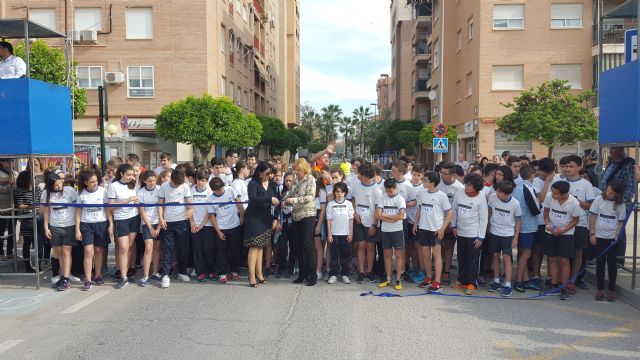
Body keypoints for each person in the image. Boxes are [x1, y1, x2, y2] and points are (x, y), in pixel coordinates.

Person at [559, 155, 595, 295]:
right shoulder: (559, 180)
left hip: (579, 223)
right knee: (563, 254)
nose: (568, 169)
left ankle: (572, 281)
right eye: (566, 166)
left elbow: (590, 206)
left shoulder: (586, 185)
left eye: (571, 166)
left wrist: (575, 200)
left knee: (578, 252)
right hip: (561, 223)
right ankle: (560, 280)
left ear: (579, 167)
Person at [413, 171, 452, 293]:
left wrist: (442, 229)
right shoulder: (421, 193)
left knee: (436, 255)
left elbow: (449, 213)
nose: (423, 182)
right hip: (424, 228)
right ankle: (428, 277)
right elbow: (419, 208)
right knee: (425, 254)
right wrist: (415, 223)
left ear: (432, 183)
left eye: (425, 180)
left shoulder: (441, 195)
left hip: (436, 229)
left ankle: (437, 281)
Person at [451, 173, 488, 296]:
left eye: (469, 185)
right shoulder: (459, 193)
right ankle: (461, 280)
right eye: (466, 183)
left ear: (476, 187)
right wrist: (454, 226)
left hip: (474, 234)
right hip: (460, 231)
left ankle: (472, 283)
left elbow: (484, 219)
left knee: (473, 259)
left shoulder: (481, 197)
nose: (466, 186)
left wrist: (480, 237)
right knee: (461, 257)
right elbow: (454, 209)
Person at [543, 181, 581, 300]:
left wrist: (562, 230)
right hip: (551, 231)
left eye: (556, 193)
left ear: (564, 193)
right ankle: (554, 284)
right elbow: (546, 212)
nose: (553, 195)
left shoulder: (574, 203)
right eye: (553, 192)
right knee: (552, 258)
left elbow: (575, 220)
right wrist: (548, 224)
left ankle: (564, 287)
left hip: (566, 234)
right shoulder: (550, 196)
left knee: (564, 260)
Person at [75, 169, 112, 290]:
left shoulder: (102, 191)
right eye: (92, 182)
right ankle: (87, 278)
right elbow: (78, 212)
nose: (95, 183)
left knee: (98, 250)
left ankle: (98, 275)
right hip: (86, 224)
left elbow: (107, 209)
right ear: (85, 182)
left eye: (96, 181)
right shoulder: (81, 193)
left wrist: (111, 224)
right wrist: (77, 229)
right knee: (88, 251)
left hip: (101, 223)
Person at [589, 180, 626, 302]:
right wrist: (592, 233)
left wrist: (617, 235)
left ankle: (611, 290)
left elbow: (621, 222)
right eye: (607, 191)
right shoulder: (599, 199)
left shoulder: (620, 204)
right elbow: (593, 217)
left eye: (611, 193)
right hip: (599, 237)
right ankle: (600, 289)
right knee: (600, 264)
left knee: (611, 265)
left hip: (612, 239)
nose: (608, 194)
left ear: (617, 194)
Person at [245, 161, 280, 287]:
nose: (269, 176)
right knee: (254, 246)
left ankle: (259, 274)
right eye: (267, 173)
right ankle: (251, 276)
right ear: (260, 172)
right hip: (254, 217)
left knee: (261, 247)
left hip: (266, 218)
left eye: (271, 173)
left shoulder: (272, 184)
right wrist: (269, 199)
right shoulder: (253, 183)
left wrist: (276, 218)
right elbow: (252, 198)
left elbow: (278, 202)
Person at [599, 147, 636, 267]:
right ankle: (606, 257)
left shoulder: (627, 164)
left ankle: (619, 261)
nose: (610, 152)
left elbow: (631, 186)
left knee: (619, 230)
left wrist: (622, 202)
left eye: (613, 149)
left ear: (621, 150)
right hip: (607, 201)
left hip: (619, 203)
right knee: (607, 228)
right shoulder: (612, 162)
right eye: (611, 150)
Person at [42, 171, 78, 291]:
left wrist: (77, 227)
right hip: (55, 225)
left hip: (69, 224)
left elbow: (77, 208)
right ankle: (62, 275)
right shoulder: (46, 193)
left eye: (60, 183)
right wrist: (46, 227)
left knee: (66, 251)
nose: (59, 186)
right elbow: (46, 210)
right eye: (56, 185)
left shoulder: (70, 190)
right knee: (58, 251)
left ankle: (66, 278)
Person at [157, 169, 193, 289]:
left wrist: (191, 210)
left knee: (183, 249)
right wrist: (161, 219)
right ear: (171, 179)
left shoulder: (185, 186)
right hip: (168, 222)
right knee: (168, 249)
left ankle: (182, 272)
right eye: (176, 183)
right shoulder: (164, 187)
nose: (178, 185)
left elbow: (189, 203)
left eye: (180, 184)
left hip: (182, 221)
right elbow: (160, 204)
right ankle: (165, 275)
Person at [107, 164, 141, 289]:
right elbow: (110, 207)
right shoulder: (113, 186)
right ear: (121, 174)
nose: (131, 177)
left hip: (134, 217)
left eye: (132, 174)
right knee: (123, 247)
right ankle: (123, 276)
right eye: (128, 175)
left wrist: (137, 201)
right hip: (121, 219)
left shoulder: (134, 185)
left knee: (130, 246)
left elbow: (139, 200)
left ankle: (126, 273)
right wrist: (126, 201)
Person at [284, 159, 317, 286]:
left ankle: (312, 275)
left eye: (298, 170)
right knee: (297, 246)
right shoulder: (295, 180)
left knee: (307, 245)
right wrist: (285, 200)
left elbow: (310, 197)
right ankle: (302, 274)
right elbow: (290, 194)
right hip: (296, 215)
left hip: (308, 215)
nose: (295, 172)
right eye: (295, 169)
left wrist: (294, 200)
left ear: (304, 169)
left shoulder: (310, 179)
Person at [487, 181, 522, 297]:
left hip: (507, 233)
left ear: (507, 193)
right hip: (494, 231)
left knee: (507, 258)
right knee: (495, 256)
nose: (497, 193)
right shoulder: (493, 197)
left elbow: (518, 221)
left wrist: (515, 237)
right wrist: (488, 226)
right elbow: (490, 211)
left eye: (500, 192)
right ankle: (496, 281)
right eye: (497, 191)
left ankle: (507, 284)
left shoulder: (515, 204)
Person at [512, 165, 543, 293]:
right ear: (532, 176)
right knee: (526, 254)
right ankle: (519, 281)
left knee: (521, 253)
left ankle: (524, 279)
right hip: (527, 226)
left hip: (518, 225)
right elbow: (536, 208)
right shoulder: (528, 188)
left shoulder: (517, 187)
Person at [208, 177, 245, 283]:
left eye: (221, 189)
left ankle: (235, 271)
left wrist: (241, 217)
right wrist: (218, 231)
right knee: (221, 252)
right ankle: (222, 273)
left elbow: (239, 204)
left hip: (234, 225)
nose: (220, 192)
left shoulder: (230, 190)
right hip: (221, 227)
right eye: (217, 191)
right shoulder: (210, 199)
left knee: (235, 250)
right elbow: (212, 216)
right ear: (212, 190)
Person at [351, 162, 382, 284]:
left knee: (370, 247)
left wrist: (374, 225)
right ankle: (361, 271)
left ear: (366, 175)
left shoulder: (376, 190)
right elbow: (353, 200)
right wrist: (354, 214)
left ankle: (369, 271)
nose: (359, 176)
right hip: (359, 220)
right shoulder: (357, 185)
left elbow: (377, 209)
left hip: (371, 223)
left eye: (361, 175)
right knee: (361, 245)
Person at [376, 178, 407, 290]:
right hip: (385, 231)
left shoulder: (400, 199)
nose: (389, 193)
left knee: (398, 256)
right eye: (387, 191)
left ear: (395, 188)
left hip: (397, 231)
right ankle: (388, 279)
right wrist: (391, 218)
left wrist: (385, 216)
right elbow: (378, 215)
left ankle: (398, 280)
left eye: (391, 191)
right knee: (387, 256)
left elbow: (401, 216)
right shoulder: (382, 198)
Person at [436, 162, 464, 285]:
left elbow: (457, 209)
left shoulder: (459, 188)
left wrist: (452, 224)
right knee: (438, 247)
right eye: (441, 172)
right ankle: (439, 270)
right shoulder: (437, 185)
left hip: (451, 223)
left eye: (445, 173)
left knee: (448, 247)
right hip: (437, 222)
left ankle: (446, 271)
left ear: (452, 174)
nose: (442, 175)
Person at [325, 182, 354, 284]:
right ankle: (333, 274)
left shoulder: (349, 204)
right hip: (334, 234)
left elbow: (351, 219)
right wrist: (329, 234)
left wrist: (350, 233)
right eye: (337, 191)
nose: (339, 194)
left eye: (342, 192)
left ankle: (345, 274)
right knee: (334, 255)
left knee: (345, 256)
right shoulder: (330, 204)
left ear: (345, 193)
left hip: (345, 234)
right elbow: (328, 220)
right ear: (334, 193)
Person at [189, 169, 215, 282]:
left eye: (203, 180)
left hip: (207, 225)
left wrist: (202, 225)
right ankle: (201, 272)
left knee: (208, 249)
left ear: (207, 181)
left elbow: (210, 212)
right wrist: (193, 224)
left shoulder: (210, 191)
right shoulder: (191, 190)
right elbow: (189, 208)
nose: (200, 182)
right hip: (194, 225)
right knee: (197, 250)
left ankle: (211, 271)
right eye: (199, 180)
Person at [137, 170, 162, 283]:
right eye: (149, 181)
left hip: (159, 222)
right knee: (148, 248)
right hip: (147, 223)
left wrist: (158, 228)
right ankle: (145, 275)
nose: (152, 183)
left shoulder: (160, 189)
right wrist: (151, 228)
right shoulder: (141, 192)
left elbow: (162, 209)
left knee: (157, 249)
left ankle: (155, 272)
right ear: (144, 181)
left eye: (153, 180)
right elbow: (142, 211)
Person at [14, 170, 40, 273]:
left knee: (38, 242)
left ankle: (39, 263)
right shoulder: (20, 190)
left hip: (38, 217)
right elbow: (19, 205)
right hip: (27, 218)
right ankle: (27, 265)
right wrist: (31, 206)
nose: (34, 180)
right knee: (27, 242)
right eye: (32, 178)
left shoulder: (37, 189)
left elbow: (40, 200)